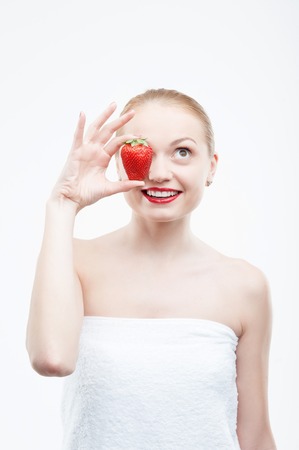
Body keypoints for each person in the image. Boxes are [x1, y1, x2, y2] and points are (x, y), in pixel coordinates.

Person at [26, 88, 277, 450]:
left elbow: (254, 436)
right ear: (117, 162)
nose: (159, 173)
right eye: (140, 150)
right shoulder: (75, 262)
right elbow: (51, 359)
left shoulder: (245, 286)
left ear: (211, 166)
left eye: (182, 152)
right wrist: (62, 203)